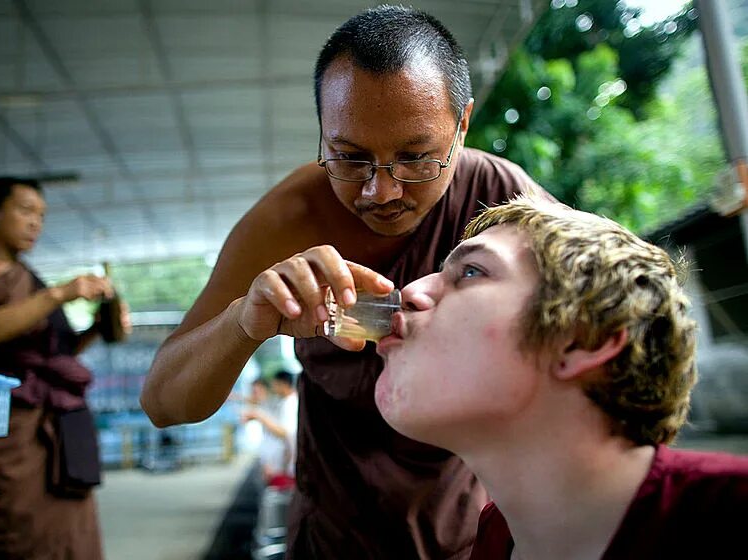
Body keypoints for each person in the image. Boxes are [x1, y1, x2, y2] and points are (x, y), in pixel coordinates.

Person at [141, 5, 547, 557]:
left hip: (465, 526)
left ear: (463, 123)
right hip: (334, 528)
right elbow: (164, 403)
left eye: (417, 158)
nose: (381, 191)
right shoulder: (286, 222)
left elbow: (609, 321)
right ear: (323, 136)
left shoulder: (501, 199)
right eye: (350, 158)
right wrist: (245, 321)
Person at [374, 195, 748, 560]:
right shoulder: (495, 536)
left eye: (471, 272)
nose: (411, 290)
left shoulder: (728, 508)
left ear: (584, 341)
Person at [0, 176, 129, 559]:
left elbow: (56, 352)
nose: (35, 224)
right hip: (1, 423)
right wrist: (59, 293)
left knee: (67, 532)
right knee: (6, 528)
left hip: (57, 426)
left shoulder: (31, 279)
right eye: (25, 210)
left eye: (41, 216)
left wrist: (97, 327)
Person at [242, 371, 299, 486]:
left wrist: (259, 416)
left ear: (283, 384)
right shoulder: (284, 402)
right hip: (281, 465)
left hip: (283, 466)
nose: (273, 387)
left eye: (275, 384)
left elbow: (285, 434)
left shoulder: (290, 403)